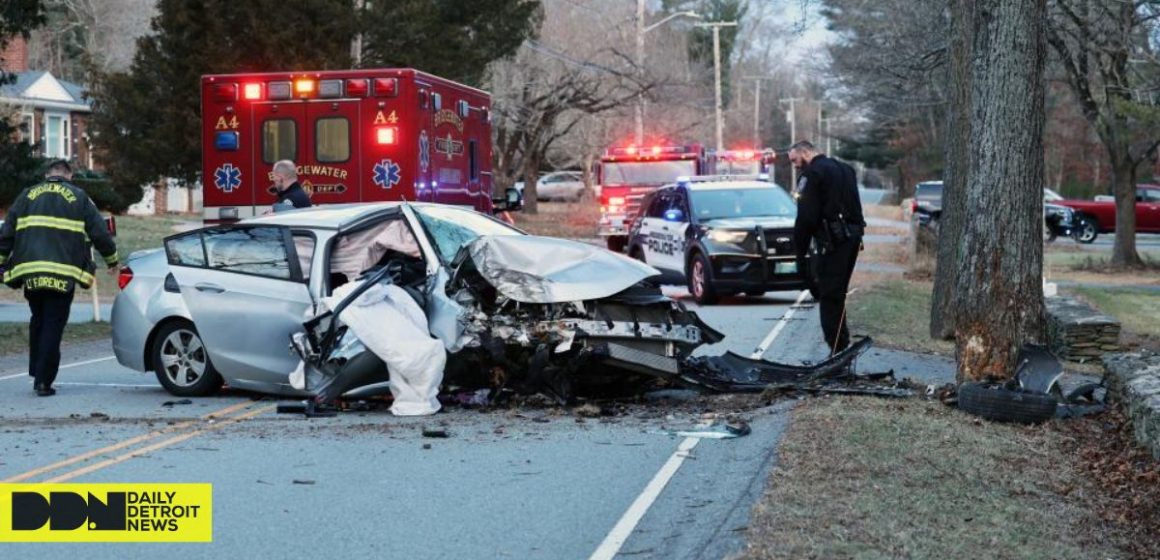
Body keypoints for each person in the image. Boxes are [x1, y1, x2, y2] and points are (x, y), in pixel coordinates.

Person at [0, 160, 118, 396]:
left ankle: (36, 372)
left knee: (39, 320)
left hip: (31, 273)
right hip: (63, 275)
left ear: (47, 175)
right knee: (53, 324)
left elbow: (7, 234)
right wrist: (112, 260)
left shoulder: (27, 195)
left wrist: (1, 262)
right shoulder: (79, 197)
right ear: (70, 176)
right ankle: (44, 381)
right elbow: (99, 233)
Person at [789, 141, 865, 355]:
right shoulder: (846, 170)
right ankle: (842, 343)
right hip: (852, 238)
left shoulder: (812, 174)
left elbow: (806, 217)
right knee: (838, 293)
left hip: (832, 241)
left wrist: (800, 252)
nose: (795, 165)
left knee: (829, 294)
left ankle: (837, 349)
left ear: (805, 152)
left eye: (795, 160)